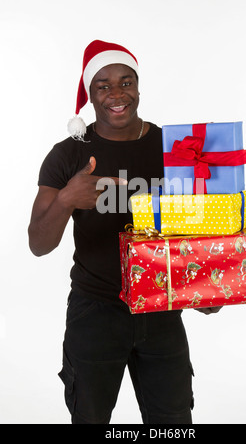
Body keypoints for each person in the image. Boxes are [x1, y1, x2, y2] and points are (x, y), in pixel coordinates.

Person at [28, 39, 198, 425]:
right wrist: (67, 198)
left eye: (126, 82)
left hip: (162, 307)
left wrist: (204, 287)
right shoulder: (69, 153)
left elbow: (198, 227)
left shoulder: (174, 148)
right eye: (103, 85)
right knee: (89, 417)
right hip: (96, 310)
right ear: (90, 95)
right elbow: (38, 243)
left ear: (138, 88)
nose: (117, 94)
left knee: (173, 421)